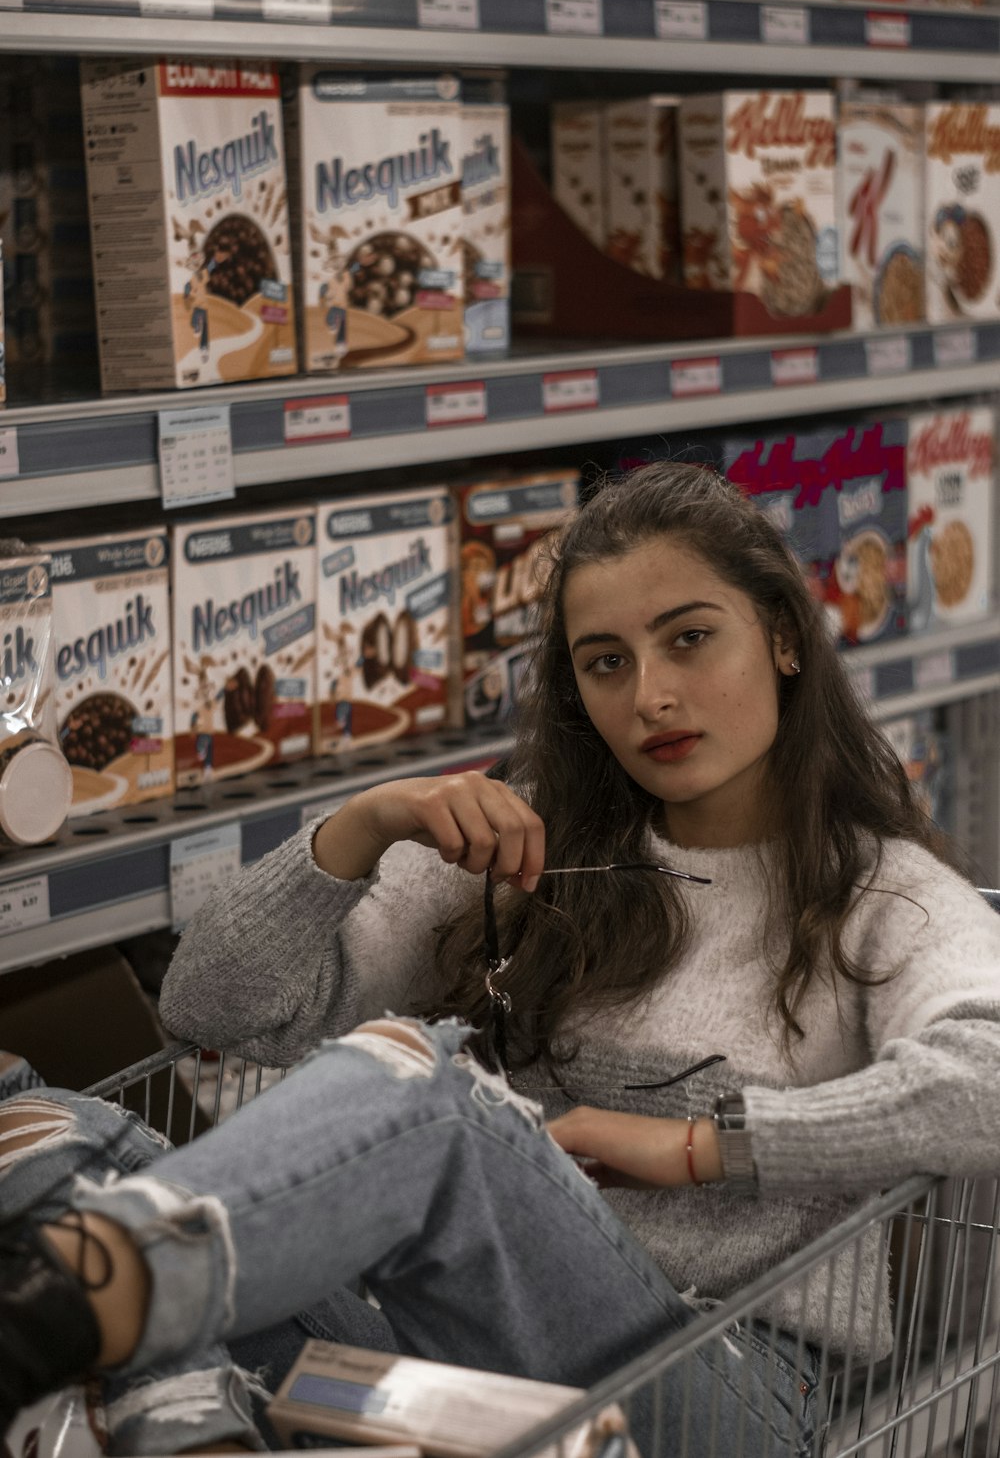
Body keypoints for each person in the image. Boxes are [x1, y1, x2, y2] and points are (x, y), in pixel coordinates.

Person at [4, 460, 1000, 1458]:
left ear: (781, 637)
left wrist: (707, 1148)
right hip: (458, 1377)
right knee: (42, 1129)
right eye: (605, 663)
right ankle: (185, 1422)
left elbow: (985, 1080)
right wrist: (364, 825)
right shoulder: (529, 847)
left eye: (689, 639)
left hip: (717, 1396)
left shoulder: (885, 897)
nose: (650, 696)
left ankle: (85, 1335)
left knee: (426, 1089)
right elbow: (210, 1007)